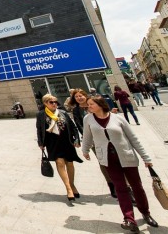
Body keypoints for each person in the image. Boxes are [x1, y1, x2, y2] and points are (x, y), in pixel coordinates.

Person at [82, 96, 158, 232]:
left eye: (91, 104)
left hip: (126, 156)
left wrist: (146, 158)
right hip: (108, 159)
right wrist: (85, 150)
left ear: (100, 104)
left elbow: (133, 138)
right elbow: (87, 137)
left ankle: (146, 213)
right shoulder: (88, 119)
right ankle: (129, 219)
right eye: (88, 105)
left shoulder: (118, 118)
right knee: (120, 188)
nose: (89, 107)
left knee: (137, 186)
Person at [36, 94, 82, 201]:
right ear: (45, 103)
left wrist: (77, 139)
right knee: (60, 163)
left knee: (69, 163)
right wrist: (40, 143)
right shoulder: (41, 115)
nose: (54, 104)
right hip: (53, 143)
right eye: (51, 102)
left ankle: (72, 184)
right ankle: (68, 188)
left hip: (67, 141)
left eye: (55, 102)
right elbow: (39, 129)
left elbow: (73, 127)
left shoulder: (63, 113)